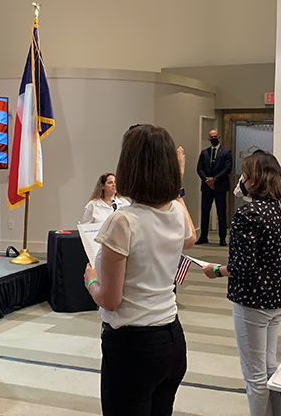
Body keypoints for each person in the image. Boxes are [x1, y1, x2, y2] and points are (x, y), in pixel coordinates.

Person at [83, 125, 196, 416]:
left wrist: (91, 279)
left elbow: (110, 299)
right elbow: (191, 238)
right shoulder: (176, 211)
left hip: (133, 345)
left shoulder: (123, 221)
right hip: (171, 336)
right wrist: (177, 184)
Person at [201, 151, 281, 416]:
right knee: (269, 368)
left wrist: (216, 270)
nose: (240, 180)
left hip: (253, 301)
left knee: (254, 375)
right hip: (276, 298)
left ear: (252, 181)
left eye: (244, 175)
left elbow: (242, 266)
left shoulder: (248, 214)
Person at [196, 129, 233, 245]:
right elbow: (199, 168)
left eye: (215, 136)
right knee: (205, 212)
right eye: (211, 137)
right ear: (209, 139)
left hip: (220, 187)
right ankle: (203, 236)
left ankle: (222, 238)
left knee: (221, 213)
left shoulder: (226, 152)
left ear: (219, 137)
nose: (214, 138)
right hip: (206, 187)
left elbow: (228, 169)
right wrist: (207, 180)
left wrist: (214, 179)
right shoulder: (204, 153)